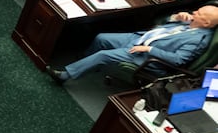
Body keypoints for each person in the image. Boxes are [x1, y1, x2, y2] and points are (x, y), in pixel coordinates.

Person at [47, 5, 218, 83]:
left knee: (103, 55)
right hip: (139, 38)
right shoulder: (191, 22)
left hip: (145, 55)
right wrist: (175, 17)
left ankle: (66, 76)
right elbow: (164, 24)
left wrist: (149, 49)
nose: (194, 12)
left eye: (199, 13)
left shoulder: (198, 40)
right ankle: (86, 61)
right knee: (101, 37)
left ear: (206, 23)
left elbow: (178, 60)